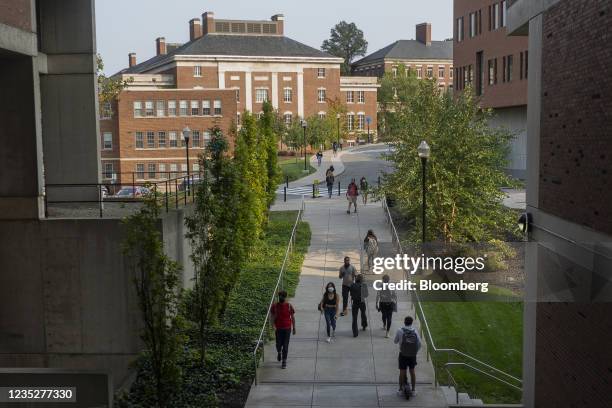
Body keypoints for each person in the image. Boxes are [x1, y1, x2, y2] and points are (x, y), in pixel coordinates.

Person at [394, 316, 421, 399]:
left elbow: (395, 341)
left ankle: (400, 390)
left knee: (402, 372)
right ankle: (413, 390)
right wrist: (414, 352)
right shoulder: (415, 331)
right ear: (411, 323)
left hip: (403, 354)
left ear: (404, 322)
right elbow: (419, 344)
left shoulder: (400, 330)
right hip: (412, 355)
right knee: (412, 371)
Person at [270, 290, 296, 369]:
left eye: (283, 296)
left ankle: (284, 361)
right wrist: (272, 325)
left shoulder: (289, 306)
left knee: (285, 345)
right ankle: (279, 352)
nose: (282, 297)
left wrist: (294, 327)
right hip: (278, 328)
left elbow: (293, 317)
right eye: (281, 296)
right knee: (278, 344)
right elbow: (272, 317)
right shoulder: (275, 306)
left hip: (287, 328)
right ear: (279, 297)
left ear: (285, 297)